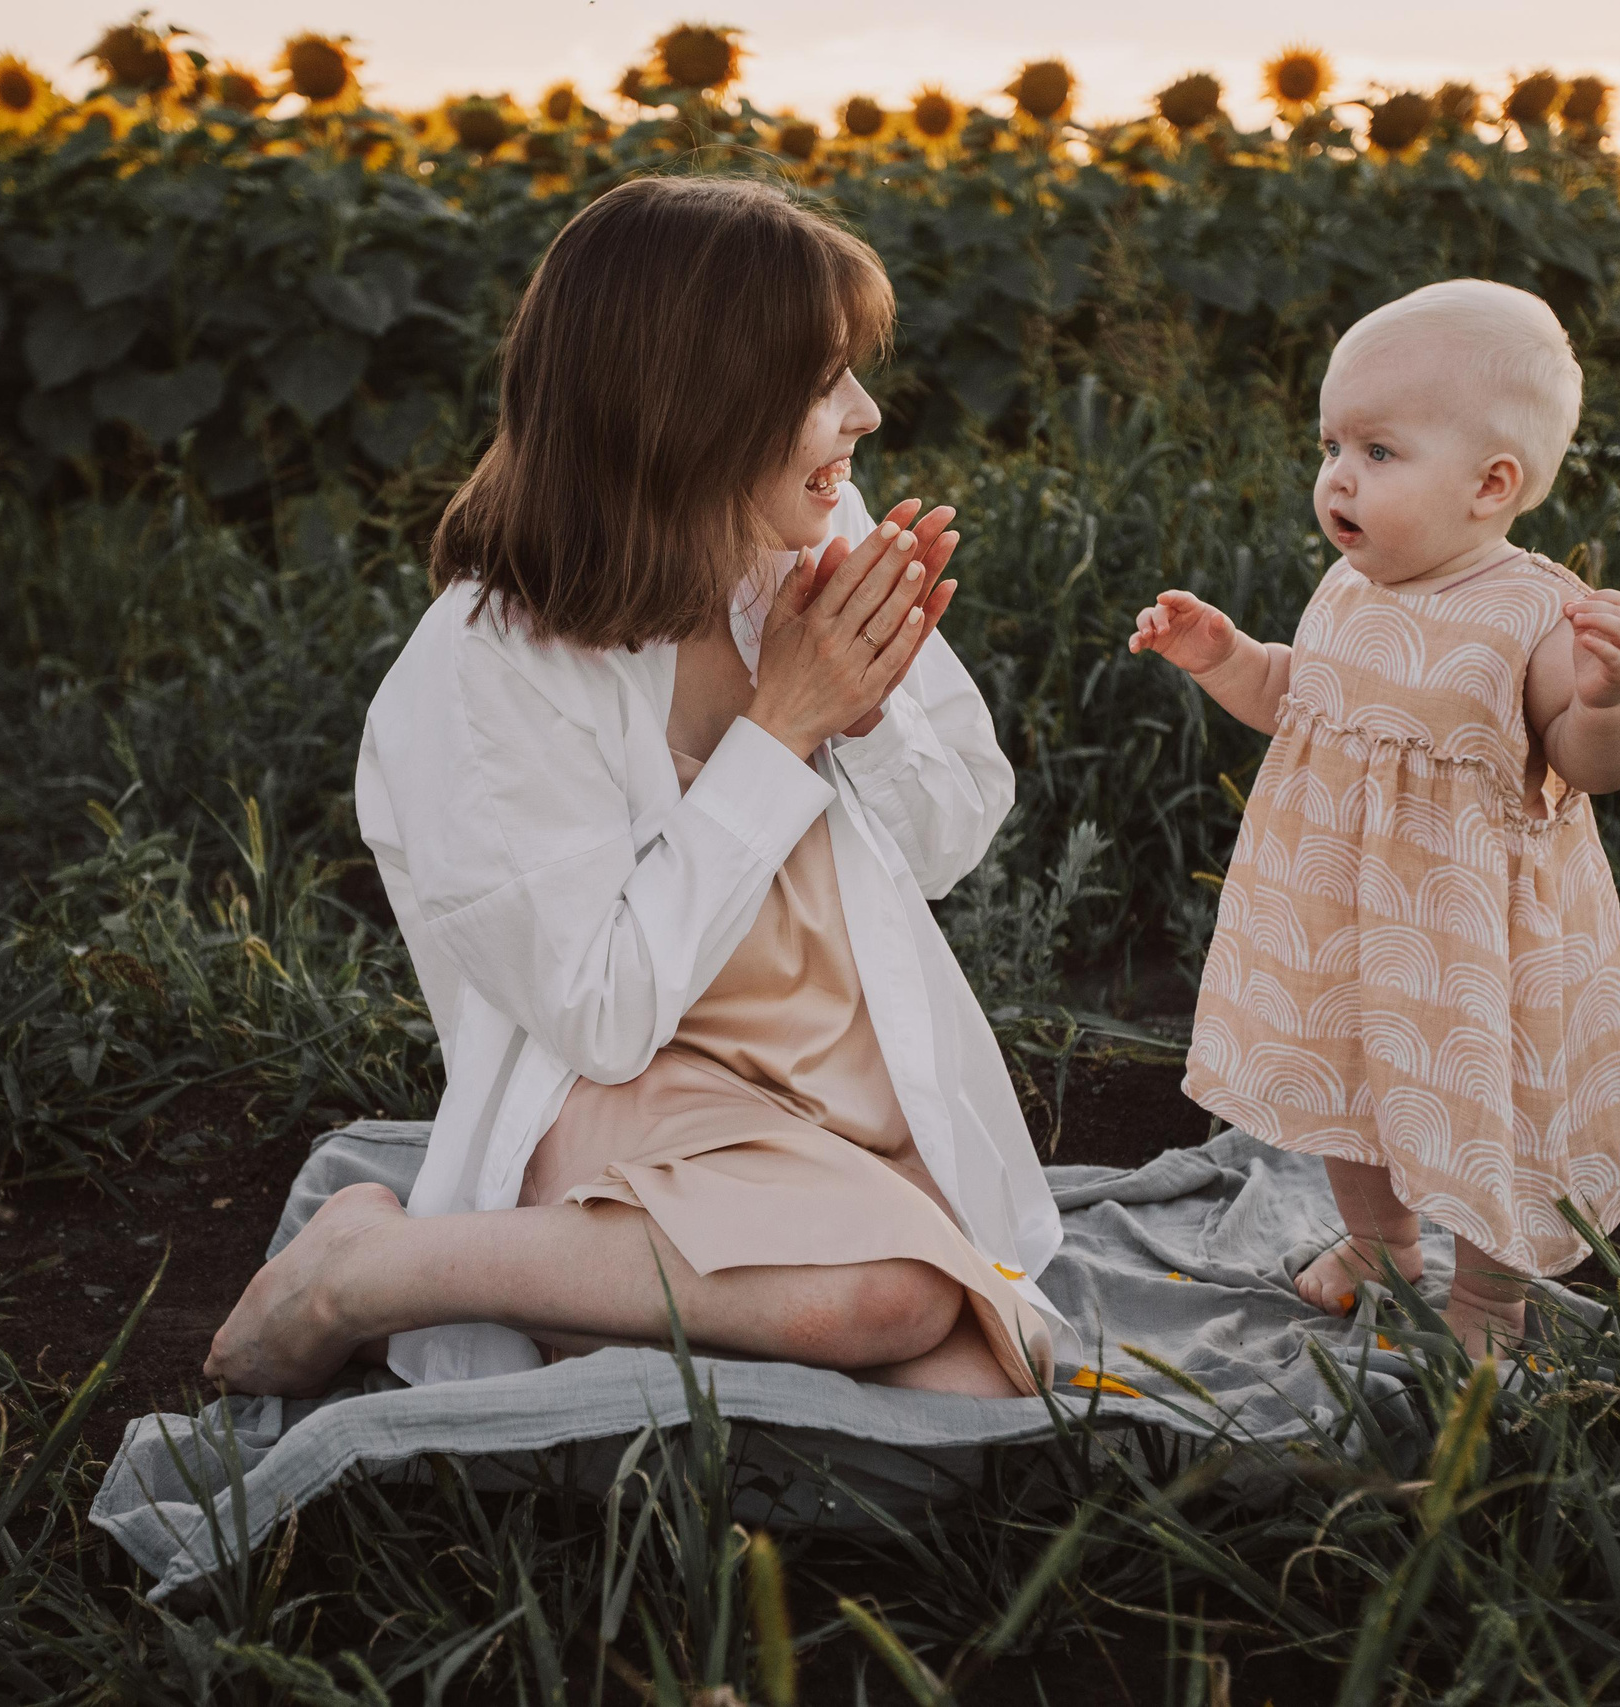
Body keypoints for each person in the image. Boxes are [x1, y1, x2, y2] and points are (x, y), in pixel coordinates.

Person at [206, 176, 1068, 1401]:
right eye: (822, 385)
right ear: (692, 405)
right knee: (886, 1298)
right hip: (638, 1096)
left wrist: (860, 725)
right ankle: (365, 1276)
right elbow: (600, 1015)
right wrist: (780, 733)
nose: (865, 416)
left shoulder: (808, 543)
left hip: (830, 1077)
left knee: (983, 1390)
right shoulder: (486, 667)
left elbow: (948, 840)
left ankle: (590, 1300)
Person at [1128, 278, 1620, 1359]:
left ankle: (1490, 1299)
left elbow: (1588, 766)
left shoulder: (1532, 614)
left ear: (1490, 483)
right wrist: (1225, 658)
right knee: (1347, 1074)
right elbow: (1298, 698)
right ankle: (1381, 1244)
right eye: (1330, 447)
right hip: (1341, 909)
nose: (1336, 478)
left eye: (1377, 451)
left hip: (1472, 942)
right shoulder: (1348, 587)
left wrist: (1611, 700)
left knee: (1485, 1107)